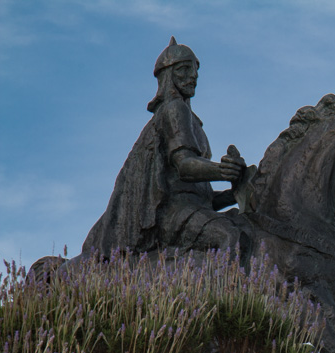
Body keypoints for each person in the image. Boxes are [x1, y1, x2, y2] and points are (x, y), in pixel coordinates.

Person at [82, 37, 250, 258]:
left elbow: (200, 197)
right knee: (229, 236)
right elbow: (185, 167)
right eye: (184, 70)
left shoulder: (193, 121)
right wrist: (223, 171)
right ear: (168, 75)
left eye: (195, 71)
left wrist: (234, 191)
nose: (192, 77)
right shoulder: (174, 109)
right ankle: (224, 291)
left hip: (189, 210)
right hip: (172, 213)